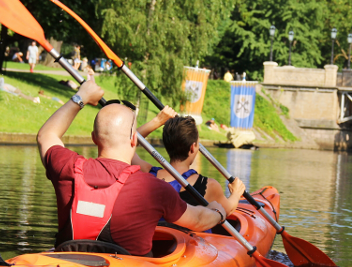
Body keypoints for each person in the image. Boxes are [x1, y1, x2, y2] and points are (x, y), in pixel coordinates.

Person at [36, 79, 226, 256]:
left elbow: (46, 135)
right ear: (134, 139)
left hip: (68, 264)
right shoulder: (153, 188)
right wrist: (218, 212)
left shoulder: (67, 167)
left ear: (94, 137)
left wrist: (81, 97)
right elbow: (199, 220)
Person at [134, 108, 246, 217]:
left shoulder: (147, 173)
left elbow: (127, 144)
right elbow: (227, 209)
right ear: (193, 147)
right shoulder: (209, 186)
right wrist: (236, 194)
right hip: (189, 234)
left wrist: (157, 121)